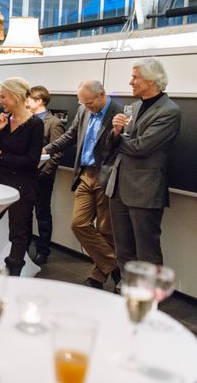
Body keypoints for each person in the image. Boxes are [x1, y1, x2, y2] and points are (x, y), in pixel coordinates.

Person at [44, 80, 121, 289]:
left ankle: (97, 277)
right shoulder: (83, 110)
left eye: (89, 103)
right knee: (78, 224)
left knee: (105, 229)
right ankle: (115, 265)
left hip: (106, 175)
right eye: (83, 103)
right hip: (84, 174)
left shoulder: (118, 113)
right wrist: (47, 149)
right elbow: (70, 136)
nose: (87, 107)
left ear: (101, 94)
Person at [106, 58, 181, 271]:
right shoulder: (133, 107)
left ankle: (149, 293)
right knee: (123, 251)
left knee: (147, 254)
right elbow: (111, 144)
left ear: (151, 80)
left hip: (145, 191)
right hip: (118, 187)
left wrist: (119, 139)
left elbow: (141, 148)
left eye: (135, 77)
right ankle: (126, 290)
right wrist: (116, 132)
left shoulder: (169, 111)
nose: (131, 82)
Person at [0, 77, 44, 276]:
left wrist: (2, 156)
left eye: (4, 97)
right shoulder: (4, 121)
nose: (1, 101)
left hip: (23, 188)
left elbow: (31, 161)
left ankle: (13, 274)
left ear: (16, 97)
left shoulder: (35, 124)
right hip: (0, 184)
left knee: (18, 233)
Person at [26, 86, 65, 265]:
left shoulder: (54, 122)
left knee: (42, 214)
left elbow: (56, 153)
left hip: (43, 177)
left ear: (39, 101)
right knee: (25, 213)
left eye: (29, 99)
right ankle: (24, 247)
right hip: (26, 174)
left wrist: (44, 173)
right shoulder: (27, 120)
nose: (26, 102)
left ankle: (43, 251)